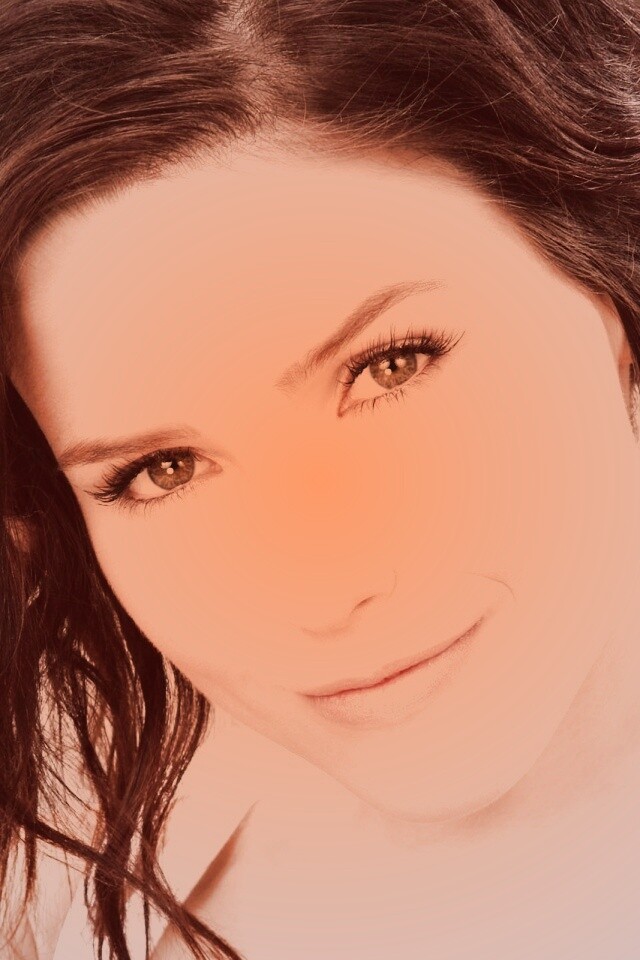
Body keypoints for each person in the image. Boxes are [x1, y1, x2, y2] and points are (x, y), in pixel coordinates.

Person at [2, 0, 640, 957]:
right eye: (161, 471)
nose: (322, 590)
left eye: (391, 367)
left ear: (609, 278)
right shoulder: (57, 802)